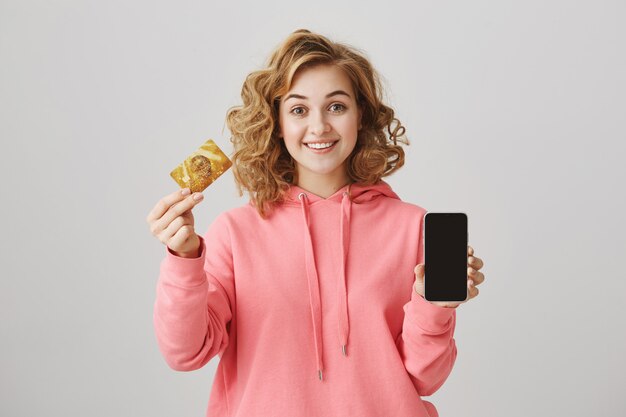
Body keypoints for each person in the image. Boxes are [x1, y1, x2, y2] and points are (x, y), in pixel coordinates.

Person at [146, 29, 485, 417]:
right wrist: (184, 259)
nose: (320, 126)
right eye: (298, 109)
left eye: (336, 107)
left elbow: (426, 377)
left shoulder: (413, 227)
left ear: (361, 115)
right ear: (276, 122)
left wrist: (435, 305)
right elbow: (184, 353)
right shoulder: (234, 233)